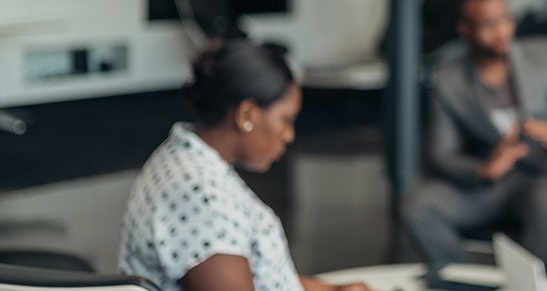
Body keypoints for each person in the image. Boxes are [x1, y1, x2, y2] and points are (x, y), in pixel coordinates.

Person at [118, 39, 370, 291]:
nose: (289, 135)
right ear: (246, 114)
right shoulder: (201, 195)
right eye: (286, 119)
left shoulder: (184, 158)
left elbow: (261, 278)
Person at [401, 0, 547, 271]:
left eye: (505, 20)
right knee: (417, 207)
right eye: (488, 25)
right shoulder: (448, 81)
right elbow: (441, 154)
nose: (501, 31)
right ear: (465, 29)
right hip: (487, 184)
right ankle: (464, 283)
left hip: (545, 175)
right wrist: (483, 169)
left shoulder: (544, 56)